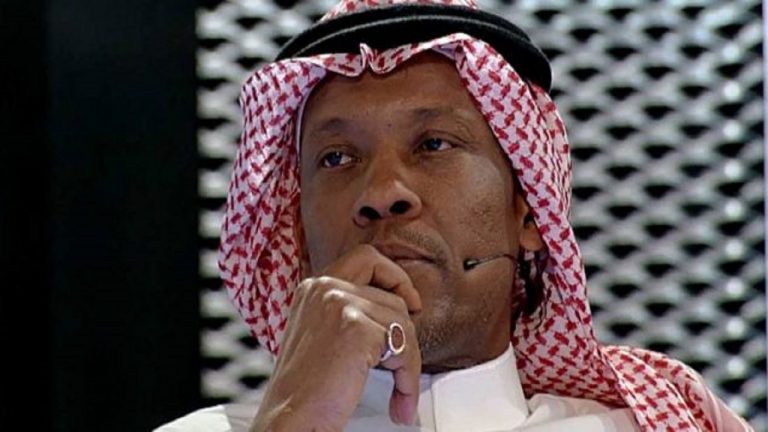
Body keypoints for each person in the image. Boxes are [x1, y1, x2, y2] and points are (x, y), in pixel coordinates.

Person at [156, 0, 754, 430]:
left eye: (434, 145)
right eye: (336, 158)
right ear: (298, 231)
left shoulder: (661, 422)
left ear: (528, 213)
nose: (382, 193)